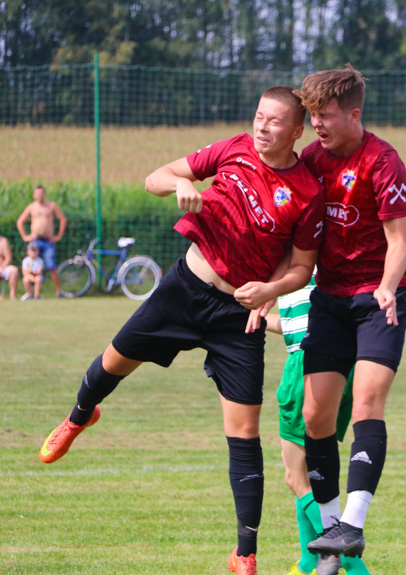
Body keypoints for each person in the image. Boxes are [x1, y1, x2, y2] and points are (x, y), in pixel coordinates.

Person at [37, 86, 325, 575]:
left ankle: (245, 553)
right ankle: (81, 415)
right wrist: (178, 185)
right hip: (184, 290)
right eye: (258, 116)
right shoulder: (232, 149)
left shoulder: (307, 192)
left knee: (245, 433)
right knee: (114, 361)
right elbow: (155, 177)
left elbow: (302, 268)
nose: (261, 126)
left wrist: (270, 289)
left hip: (239, 315)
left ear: (296, 131)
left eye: (274, 121)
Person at [293, 65, 406, 574]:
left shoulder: (383, 162)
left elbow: (399, 241)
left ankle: (355, 523)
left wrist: (386, 288)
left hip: (379, 299)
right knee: (315, 417)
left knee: (365, 402)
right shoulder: (311, 160)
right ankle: (329, 532)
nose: (316, 124)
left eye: (325, 115)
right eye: (312, 115)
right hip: (329, 298)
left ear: (354, 113)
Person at [262, 273, 370, 575]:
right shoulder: (321, 262)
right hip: (340, 366)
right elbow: (294, 321)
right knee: (311, 473)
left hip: (306, 365)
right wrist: (256, 317)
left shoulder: (294, 261)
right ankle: (308, 562)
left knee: (297, 477)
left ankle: (352, 563)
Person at [16, 184, 67, 298]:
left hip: (48, 241)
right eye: (37, 193)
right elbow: (20, 222)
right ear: (34, 195)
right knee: (31, 266)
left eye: (42, 193)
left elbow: (62, 219)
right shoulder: (31, 207)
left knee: (51, 266)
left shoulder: (51, 205)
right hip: (36, 241)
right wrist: (25, 236)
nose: (40, 195)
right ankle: (32, 292)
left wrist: (58, 236)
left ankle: (58, 291)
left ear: (45, 194)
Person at [0, 235, 20, 300]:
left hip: (2, 267)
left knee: (14, 270)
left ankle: (12, 296)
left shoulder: (3, 241)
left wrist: (1, 269)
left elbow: (8, 258)